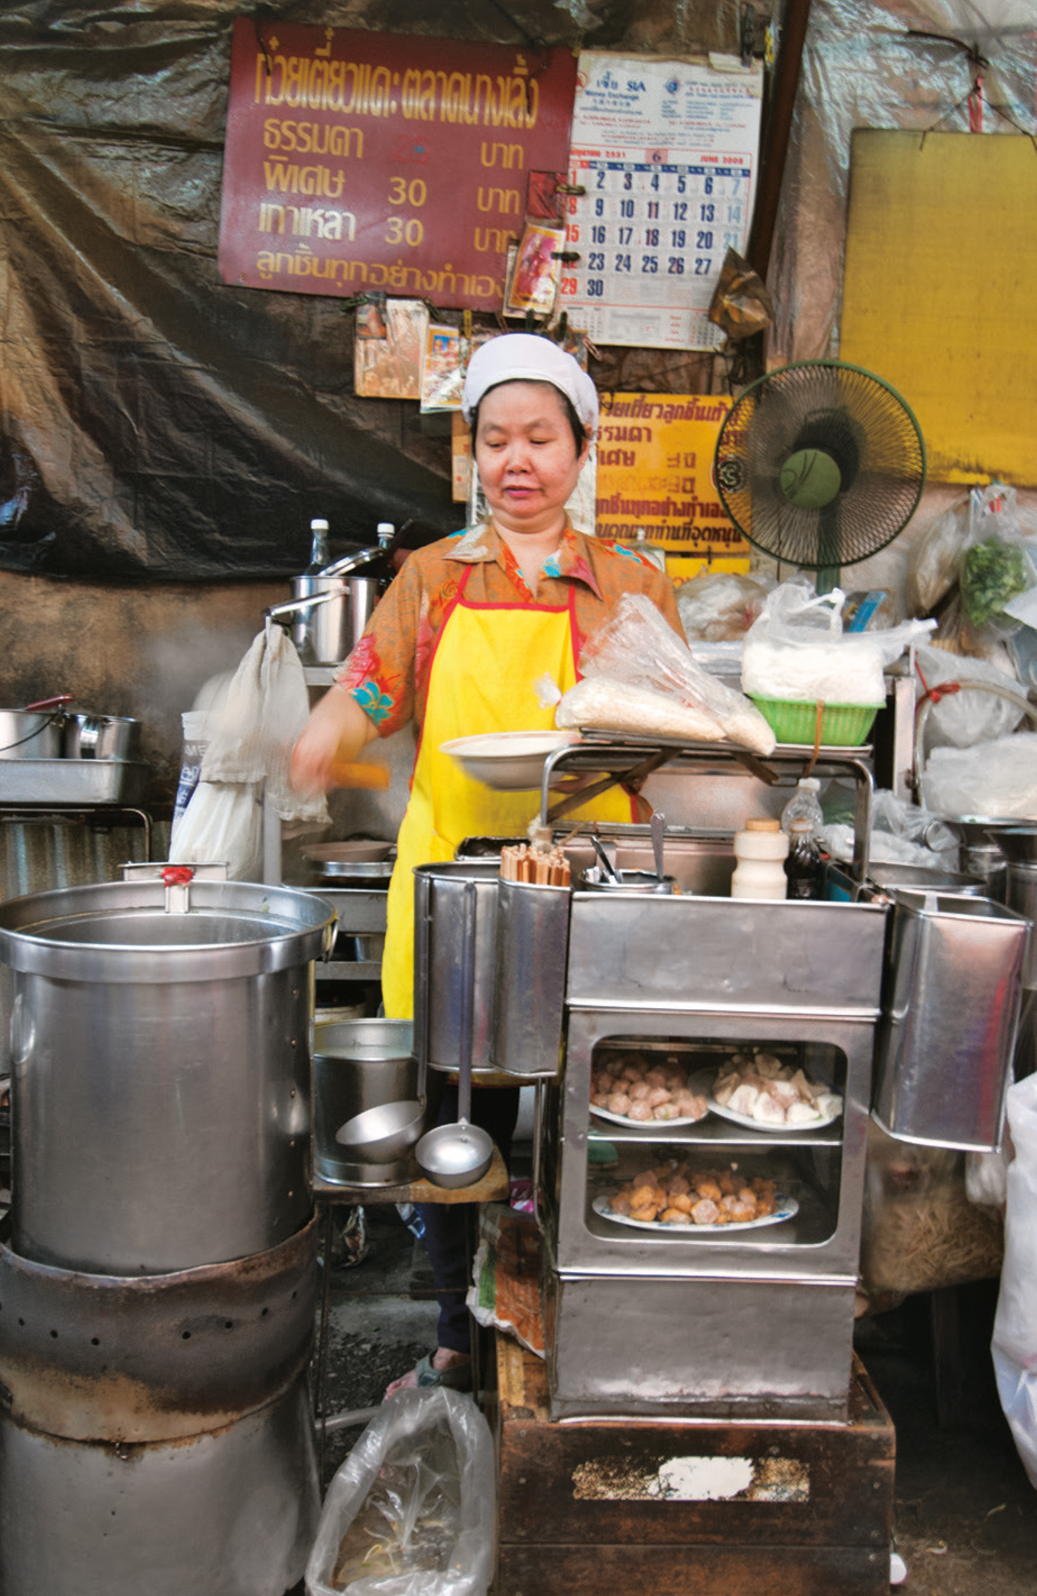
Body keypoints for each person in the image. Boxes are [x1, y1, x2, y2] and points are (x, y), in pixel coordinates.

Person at [290, 333, 684, 1393]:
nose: (518, 461)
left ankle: (575, 1324)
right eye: (495, 439)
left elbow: (669, 719)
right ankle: (454, 1334)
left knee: (580, 1101)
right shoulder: (431, 578)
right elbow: (373, 691)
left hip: (582, 878)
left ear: (581, 448)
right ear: (473, 457)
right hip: (452, 883)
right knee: (454, 1117)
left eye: (540, 438)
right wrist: (327, 729)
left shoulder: (627, 584)